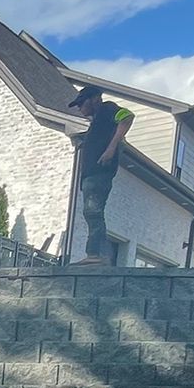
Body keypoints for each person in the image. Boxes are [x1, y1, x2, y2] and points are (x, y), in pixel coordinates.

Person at [69, 84, 132, 264]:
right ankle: (97, 255)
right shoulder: (97, 122)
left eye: (82, 103)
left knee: (93, 211)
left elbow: (127, 117)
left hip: (99, 173)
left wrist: (111, 148)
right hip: (92, 175)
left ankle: (96, 254)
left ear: (95, 98)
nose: (80, 108)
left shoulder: (107, 109)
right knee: (92, 212)